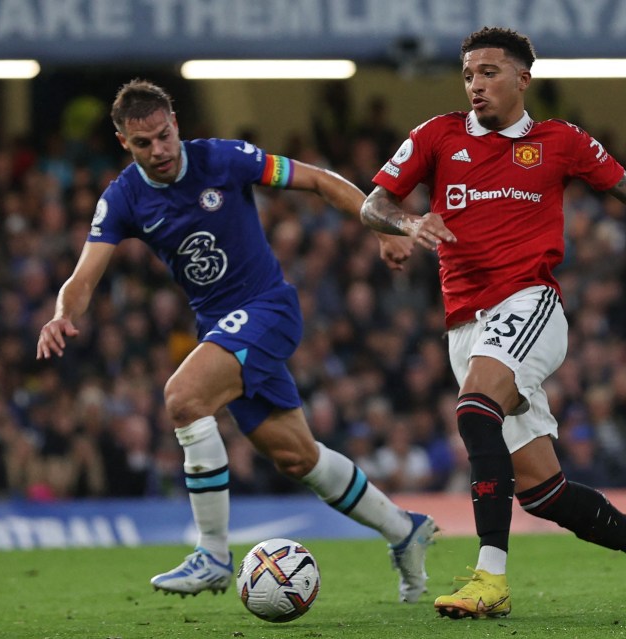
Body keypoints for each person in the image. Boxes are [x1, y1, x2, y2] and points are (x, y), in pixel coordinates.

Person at [360, 27, 626, 619]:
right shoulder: (437, 135)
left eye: (488, 72)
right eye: (467, 75)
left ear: (522, 78)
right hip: (465, 324)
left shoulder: (560, 141)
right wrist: (407, 226)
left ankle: (491, 578)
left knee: (474, 408)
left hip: (530, 305)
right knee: (544, 493)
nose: (475, 85)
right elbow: (372, 204)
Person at [36, 79, 436, 603]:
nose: (157, 150)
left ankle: (213, 553)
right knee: (299, 458)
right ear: (123, 143)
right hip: (220, 329)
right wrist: (62, 314)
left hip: (268, 309)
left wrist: (383, 229)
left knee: (183, 398)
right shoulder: (124, 198)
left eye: (163, 136)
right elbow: (84, 277)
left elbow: (316, 180)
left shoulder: (224, 160)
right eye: (142, 143)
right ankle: (405, 529)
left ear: (175, 123)